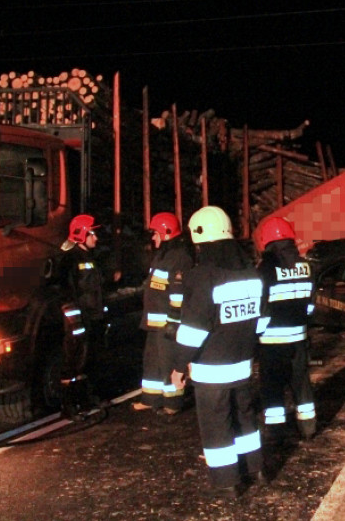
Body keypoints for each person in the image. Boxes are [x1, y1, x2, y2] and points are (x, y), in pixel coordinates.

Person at [171, 206, 267, 497]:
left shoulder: (203, 276)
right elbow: (262, 321)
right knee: (245, 420)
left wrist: (178, 365)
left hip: (212, 369)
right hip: (242, 364)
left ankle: (227, 483)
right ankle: (257, 469)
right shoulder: (252, 273)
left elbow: (193, 330)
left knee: (217, 426)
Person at [256, 216, 317, 441]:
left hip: (271, 343)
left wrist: (257, 337)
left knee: (273, 389)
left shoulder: (265, 269)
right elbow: (311, 306)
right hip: (299, 338)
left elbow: (262, 310)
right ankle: (308, 427)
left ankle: (276, 432)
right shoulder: (306, 267)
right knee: (301, 384)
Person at [133, 212, 193, 415]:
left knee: (168, 362)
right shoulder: (163, 255)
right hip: (153, 321)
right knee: (151, 362)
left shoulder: (180, 257)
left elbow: (178, 294)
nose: (153, 237)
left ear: (166, 233)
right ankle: (150, 398)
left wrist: (173, 322)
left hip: (167, 321)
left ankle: (173, 403)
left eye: (155, 233)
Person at [57, 213, 106, 418]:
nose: (96, 238)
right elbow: (65, 292)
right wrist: (75, 322)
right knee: (72, 362)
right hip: (76, 321)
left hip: (90, 317)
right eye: (92, 233)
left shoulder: (89, 258)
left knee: (86, 360)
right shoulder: (70, 259)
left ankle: (83, 400)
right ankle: (67, 406)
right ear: (81, 235)